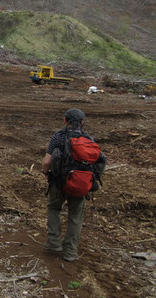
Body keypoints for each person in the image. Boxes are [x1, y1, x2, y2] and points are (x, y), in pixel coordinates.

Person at [41, 108, 98, 262]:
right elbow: (99, 162)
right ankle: (70, 252)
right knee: (75, 217)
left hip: (59, 182)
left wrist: (46, 173)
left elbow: (47, 161)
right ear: (82, 123)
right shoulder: (89, 139)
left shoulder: (58, 137)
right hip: (80, 184)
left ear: (65, 120)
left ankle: (54, 243)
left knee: (53, 208)